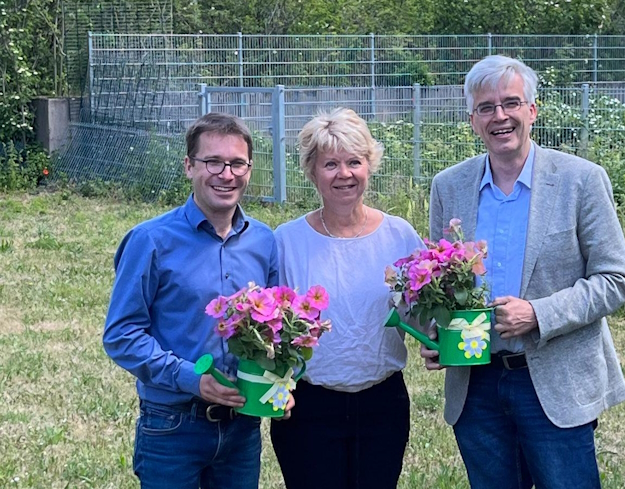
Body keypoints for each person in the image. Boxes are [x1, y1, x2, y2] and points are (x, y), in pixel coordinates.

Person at [423, 55, 625, 489]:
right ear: (472, 120)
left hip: (554, 382)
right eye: (486, 107)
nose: (499, 116)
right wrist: (436, 333)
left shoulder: (582, 180)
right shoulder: (449, 187)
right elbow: (438, 283)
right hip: (475, 387)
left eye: (511, 103)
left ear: (532, 111)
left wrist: (538, 313)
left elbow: (615, 280)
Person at [103, 112, 287, 489]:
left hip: (242, 427)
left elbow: (274, 331)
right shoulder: (150, 240)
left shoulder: (264, 242)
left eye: (237, 163)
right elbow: (121, 334)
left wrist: (279, 385)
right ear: (189, 166)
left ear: (249, 169)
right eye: (213, 162)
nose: (226, 174)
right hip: (172, 426)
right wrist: (190, 378)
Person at [269, 107, 424, 489]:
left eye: (354, 161)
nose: (344, 174)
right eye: (331, 164)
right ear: (312, 171)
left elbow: (425, 312)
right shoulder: (287, 241)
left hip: (382, 403)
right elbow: (269, 328)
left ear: (370, 165)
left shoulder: (400, 235)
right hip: (308, 406)